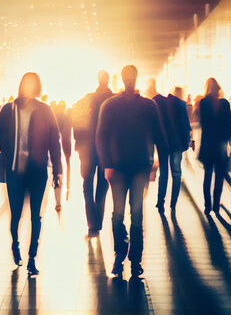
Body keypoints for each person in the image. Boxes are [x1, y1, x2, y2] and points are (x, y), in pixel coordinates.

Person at [96, 65, 165, 277]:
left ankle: (122, 257)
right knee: (134, 213)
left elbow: (101, 136)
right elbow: (159, 136)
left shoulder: (111, 105)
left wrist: (107, 164)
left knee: (120, 214)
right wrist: (157, 163)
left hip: (122, 167)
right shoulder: (147, 106)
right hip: (135, 166)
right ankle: (133, 260)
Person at [0, 72, 62, 276]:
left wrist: (58, 169)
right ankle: (15, 244)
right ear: (21, 85)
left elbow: (54, 141)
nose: (29, 87)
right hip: (15, 170)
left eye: (33, 84)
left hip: (38, 170)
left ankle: (32, 257)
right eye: (26, 83)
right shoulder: (9, 109)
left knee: (36, 215)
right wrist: (7, 145)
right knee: (15, 214)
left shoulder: (45, 110)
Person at [71, 70, 114, 237]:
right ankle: (98, 221)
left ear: (98, 79)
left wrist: (78, 142)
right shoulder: (113, 99)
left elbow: (74, 115)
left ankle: (92, 223)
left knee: (87, 185)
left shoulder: (87, 99)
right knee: (102, 186)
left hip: (88, 149)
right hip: (106, 149)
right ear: (108, 79)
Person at [197, 78, 231, 216]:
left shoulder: (203, 103)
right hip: (221, 146)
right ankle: (216, 205)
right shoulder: (224, 104)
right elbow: (229, 126)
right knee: (219, 177)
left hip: (208, 146)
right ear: (218, 88)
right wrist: (230, 141)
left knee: (207, 176)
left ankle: (207, 206)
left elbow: (202, 123)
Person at [155, 86, 191, 211]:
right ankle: (173, 203)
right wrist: (186, 143)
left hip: (162, 143)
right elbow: (186, 126)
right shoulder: (181, 104)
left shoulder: (159, 103)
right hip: (177, 144)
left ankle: (160, 202)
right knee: (176, 173)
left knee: (163, 172)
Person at [53, 100, 72, 211]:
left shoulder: (53, 116)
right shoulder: (66, 117)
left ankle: (58, 201)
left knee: (57, 171)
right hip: (65, 145)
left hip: (55, 147)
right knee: (64, 168)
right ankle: (66, 193)